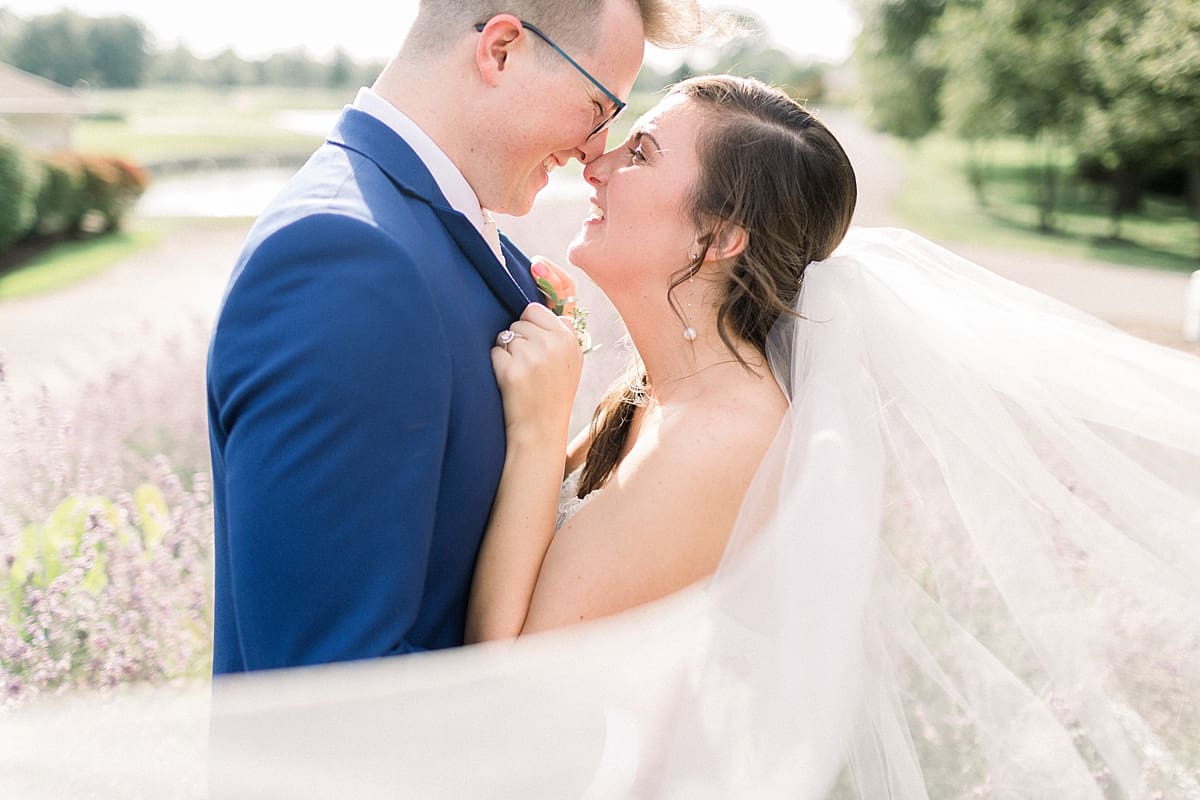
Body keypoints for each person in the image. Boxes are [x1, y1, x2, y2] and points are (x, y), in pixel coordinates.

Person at [205, 0, 708, 674]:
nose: (595, 152)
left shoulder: (428, 230)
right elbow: (324, 692)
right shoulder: (345, 261)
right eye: (596, 108)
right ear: (500, 49)